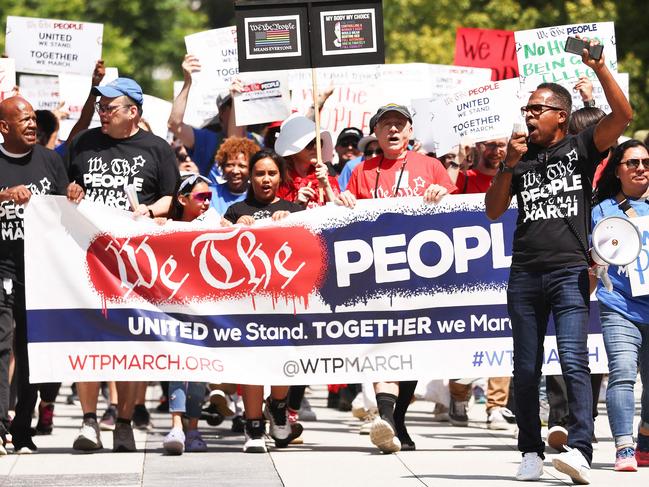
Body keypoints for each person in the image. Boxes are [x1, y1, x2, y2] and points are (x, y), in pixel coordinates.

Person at [485, 38, 632, 483]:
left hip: (569, 272)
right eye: (527, 109)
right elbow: (493, 209)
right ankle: (530, 449)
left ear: (560, 116)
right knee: (525, 368)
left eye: (536, 109)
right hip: (525, 274)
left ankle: (581, 450)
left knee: (574, 362)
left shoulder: (582, 147)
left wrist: (601, 68)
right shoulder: (520, 157)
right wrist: (508, 165)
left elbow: (623, 117)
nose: (528, 115)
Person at [67, 77, 180, 453]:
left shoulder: (156, 148)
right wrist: (71, 190)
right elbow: (60, 186)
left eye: (109, 107)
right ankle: (88, 421)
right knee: (87, 340)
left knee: (137, 344)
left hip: (136, 264)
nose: (102, 112)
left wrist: (149, 209)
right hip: (88, 258)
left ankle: (126, 422)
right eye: (100, 106)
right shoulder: (83, 143)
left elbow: (171, 199)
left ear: (133, 111)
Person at [339, 103, 456, 453]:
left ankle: (396, 421)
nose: (392, 130)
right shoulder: (360, 171)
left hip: (421, 279)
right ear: (375, 133)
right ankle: (387, 420)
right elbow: (345, 221)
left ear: (409, 132)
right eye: (385, 124)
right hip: (376, 279)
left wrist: (445, 193)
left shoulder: (431, 166)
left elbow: (459, 208)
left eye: (399, 124)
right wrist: (345, 201)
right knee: (383, 349)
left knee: (412, 354)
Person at [0, 96, 83, 453]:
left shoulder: (50, 160)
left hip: (39, 272)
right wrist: (3, 194)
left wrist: (72, 192)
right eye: (24, 120)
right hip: (1, 268)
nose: (32, 125)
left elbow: (62, 206)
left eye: (34, 119)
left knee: (31, 350)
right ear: (4, 127)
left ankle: (22, 431)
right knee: (2, 346)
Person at [223, 150, 304, 453]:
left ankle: (279, 407)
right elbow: (211, 241)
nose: (265, 179)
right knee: (253, 366)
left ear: (281, 176)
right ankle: (254, 428)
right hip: (246, 303)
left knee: (282, 360)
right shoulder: (235, 210)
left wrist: (293, 222)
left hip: (283, 302)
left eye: (271, 173)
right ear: (250, 177)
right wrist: (230, 227)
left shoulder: (294, 209)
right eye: (259, 173)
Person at [591, 139, 649, 472]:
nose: (640, 168)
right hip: (620, 305)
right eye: (632, 163)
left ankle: (645, 440)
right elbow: (592, 259)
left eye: (645, 162)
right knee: (623, 373)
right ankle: (624, 447)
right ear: (619, 170)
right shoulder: (603, 211)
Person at [167, 54, 246, 179]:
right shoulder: (208, 140)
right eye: (232, 102)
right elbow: (174, 125)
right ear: (221, 111)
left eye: (243, 99)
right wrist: (188, 82)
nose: (238, 104)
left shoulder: (259, 141)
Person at [275, 115, 341, 208]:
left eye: (319, 142)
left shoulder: (328, 179)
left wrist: (326, 185)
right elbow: (276, 218)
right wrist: (297, 204)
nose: (315, 147)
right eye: (309, 144)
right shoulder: (279, 181)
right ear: (292, 149)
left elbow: (339, 215)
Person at [211, 136, 260, 215]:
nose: (235, 171)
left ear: (251, 169)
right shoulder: (211, 194)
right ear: (222, 167)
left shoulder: (260, 195)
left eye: (242, 166)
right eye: (230, 165)